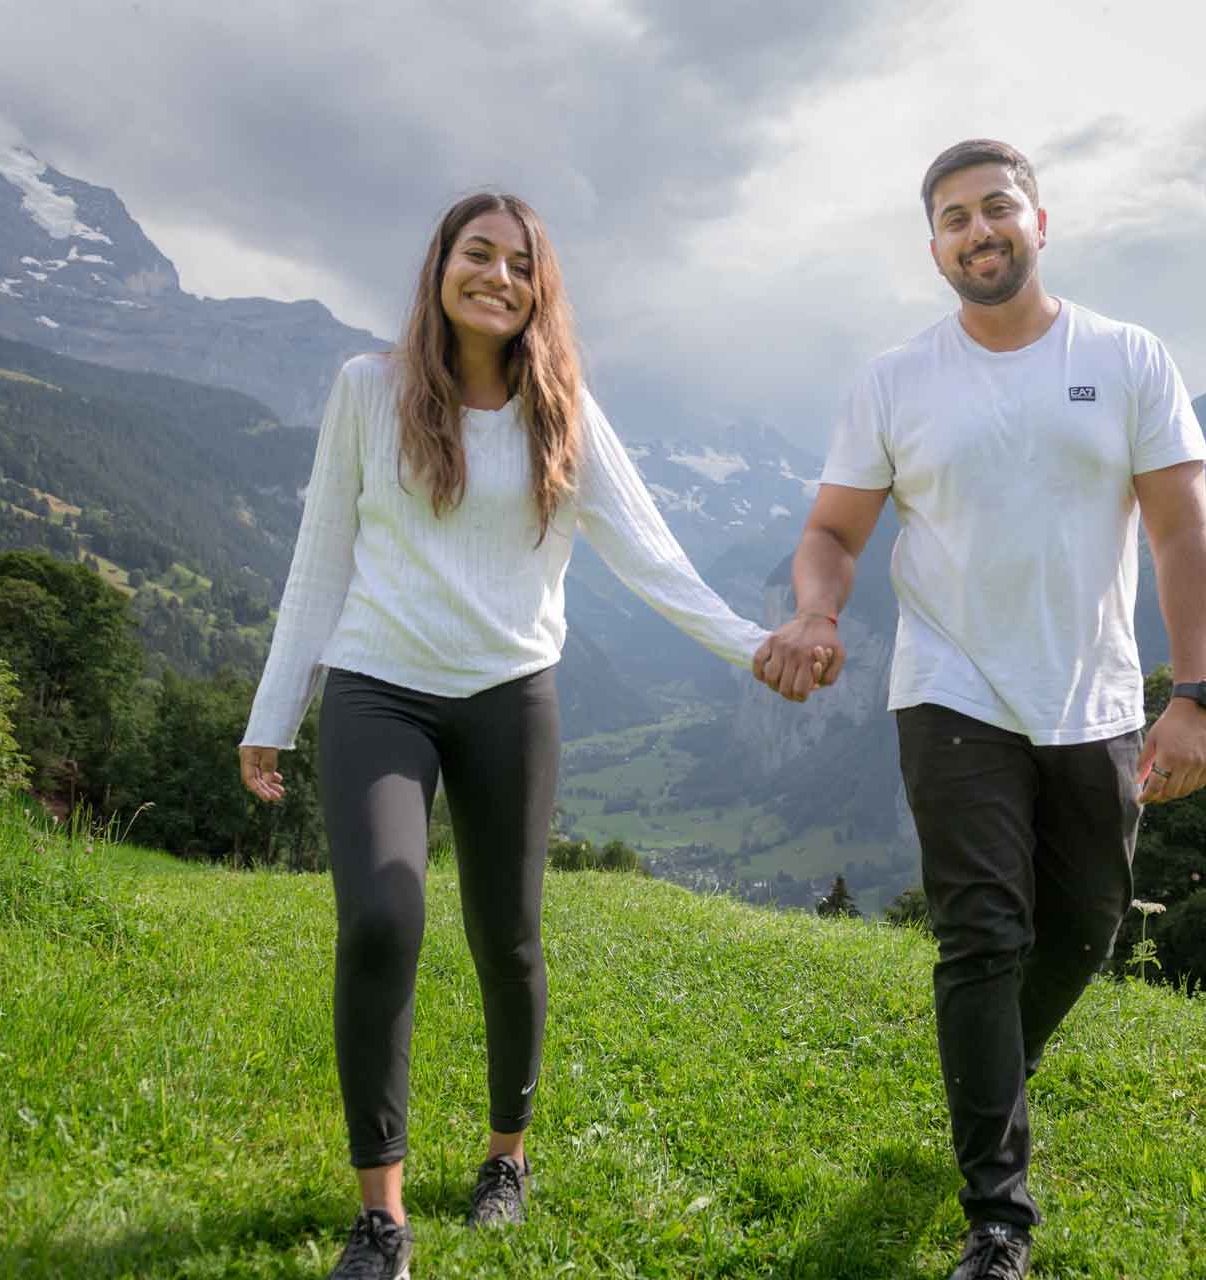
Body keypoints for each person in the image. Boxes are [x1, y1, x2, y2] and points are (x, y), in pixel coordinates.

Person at [238, 192, 808, 1280]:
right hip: (378, 689)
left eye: (519, 263)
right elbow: (319, 559)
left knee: (508, 934)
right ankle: (382, 1216)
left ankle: (506, 1155)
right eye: (477, 253)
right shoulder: (369, 390)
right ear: (440, 266)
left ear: (540, 288)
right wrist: (275, 711)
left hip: (511, 692)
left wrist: (755, 645)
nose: (497, 276)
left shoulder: (564, 408)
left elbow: (652, 556)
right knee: (380, 917)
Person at [752, 139, 1206, 1280]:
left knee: (1083, 927)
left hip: (1096, 697)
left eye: (996, 208)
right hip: (950, 688)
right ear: (933, 248)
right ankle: (996, 1217)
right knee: (983, 933)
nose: (979, 231)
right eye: (955, 218)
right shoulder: (896, 381)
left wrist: (1195, 690)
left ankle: (990, 1082)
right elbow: (831, 531)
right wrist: (818, 611)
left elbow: (1180, 533)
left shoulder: (1127, 357)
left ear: (1041, 221)